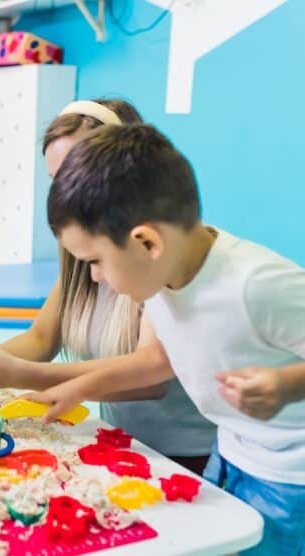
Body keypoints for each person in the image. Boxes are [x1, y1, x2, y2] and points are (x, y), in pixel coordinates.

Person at [39, 123, 305, 554]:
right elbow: (161, 360)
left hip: (290, 476)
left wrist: (286, 385)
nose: (94, 276)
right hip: (232, 450)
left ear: (147, 242)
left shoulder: (255, 283)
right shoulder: (158, 278)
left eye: (96, 261)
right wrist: (79, 388)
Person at [0, 99, 214, 475]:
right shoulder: (83, 254)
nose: (70, 195)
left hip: (186, 454)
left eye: (79, 174)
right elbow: (43, 338)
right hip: (123, 441)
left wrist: (11, 373)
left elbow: (149, 373)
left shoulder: (153, 253)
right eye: (58, 181)